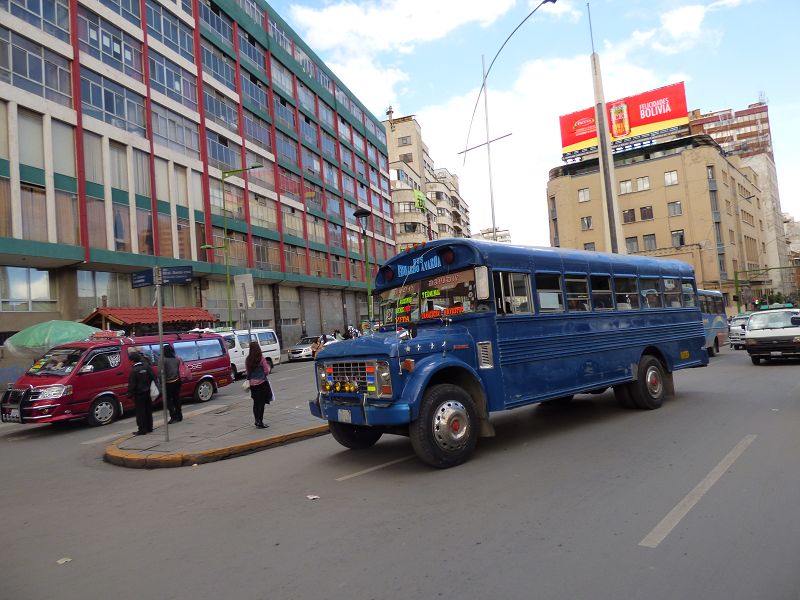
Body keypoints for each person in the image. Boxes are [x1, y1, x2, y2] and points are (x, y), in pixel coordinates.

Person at [127, 350, 156, 435]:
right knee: (148, 410)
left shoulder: (134, 371)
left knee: (140, 412)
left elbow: (132, 385)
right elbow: (153, 377)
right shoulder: (146, 367)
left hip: (139, 394)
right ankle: (149, 427)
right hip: (147, 392)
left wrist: (129, 394)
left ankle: (142, 430)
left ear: (132, 361)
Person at [245, 341, 272, 429]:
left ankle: (256, 420)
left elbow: (248, 371)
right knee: (262, 403)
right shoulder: (261, 358)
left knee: (256, 403)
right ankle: (260, 421)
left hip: (253, 384)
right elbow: (266, 371)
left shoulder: (248, 359)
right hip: (262, 383)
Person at [162, 344, 183, 424]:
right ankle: (179, 416)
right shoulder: (176, 359)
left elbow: (161, 373)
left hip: (168, 383)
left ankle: (173, 417)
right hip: (177, 381)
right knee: (177, 399)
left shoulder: (163, 360)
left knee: (169, 401)